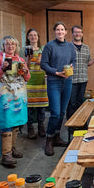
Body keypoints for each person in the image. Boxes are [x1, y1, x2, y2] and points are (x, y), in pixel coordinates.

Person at [0, 35, 30, 167]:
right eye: (7, 44)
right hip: (5, 94)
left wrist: (25, 72)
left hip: (19, 94)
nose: (10, 47)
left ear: (16, 46)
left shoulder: (20, 59)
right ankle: (6, 155)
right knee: (6, 122)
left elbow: (27, 77)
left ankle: (11, 148)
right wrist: (2, 68)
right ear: (3, 46)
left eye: (13, 44)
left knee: (16, 123)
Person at [40, 22, 76, 156]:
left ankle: (56, 136)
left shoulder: (70, 46)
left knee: (62, 112)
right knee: (55, 112)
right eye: (57, 30)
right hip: (54, 82)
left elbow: (74, 60)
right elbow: (43, 64)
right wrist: (56, 72)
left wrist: (71, 67)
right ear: (55, 32)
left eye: (62, 29)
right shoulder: (49, 46)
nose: (60, 32)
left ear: (66, 32)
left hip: (67, 81)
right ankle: (49, 138)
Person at [20, 29, 48, 139]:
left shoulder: (43, 49)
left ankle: (41, 127)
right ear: (27, 37)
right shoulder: (24, 50)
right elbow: (22, 68)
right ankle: (30, 128)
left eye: (35, 35)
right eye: (31, 35)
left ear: (38, 37)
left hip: (41, 79)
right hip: (29, 81)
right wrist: (28, 59)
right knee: (29, 106)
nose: (33, 37)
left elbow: (47, 63)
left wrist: (42, 63)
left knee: (41, 106)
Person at [67, 25, 94, 119]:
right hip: (71, 80)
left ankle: (79, 122)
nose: (78, 34)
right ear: (72, 34)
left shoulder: (86, 48)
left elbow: (88, 63)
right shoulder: (68, 47)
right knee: (71, 103)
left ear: (82, 34)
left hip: (83, 79)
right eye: (76, 32)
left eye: (80, 32)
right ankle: (71, 125)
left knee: (80, 102)